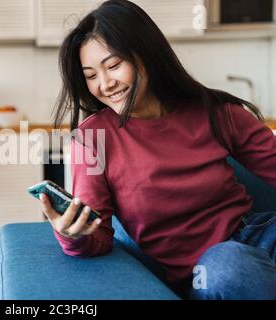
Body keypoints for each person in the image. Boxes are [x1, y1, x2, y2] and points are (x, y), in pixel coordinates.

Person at [40, 0, 276, 299]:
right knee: (231, 268)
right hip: (208, 270)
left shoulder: (215, 112)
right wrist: (71, 235)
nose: (105, 83)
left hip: (258, 235)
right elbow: (97, 236)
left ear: (146, 55)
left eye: (113, 66)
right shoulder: (92, 138)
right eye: (90, 75)